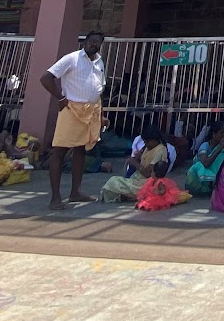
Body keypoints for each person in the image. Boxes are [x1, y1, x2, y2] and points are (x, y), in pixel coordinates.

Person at [40, 31, 107, 210]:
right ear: (85, 42)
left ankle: (75, 192)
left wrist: (101, 115)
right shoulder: (71, 58)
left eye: (97, 42)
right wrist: (60, 98)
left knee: (81, 150)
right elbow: (46, 78)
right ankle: (55, 198)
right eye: (91, 41)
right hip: (71, 109)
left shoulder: (99, 62)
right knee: (59, 152)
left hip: (91, 110)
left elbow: (98, 89)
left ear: (100, 45)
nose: (93, 44)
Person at [101, 128, 168, 202]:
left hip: (146, 183)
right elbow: (137, 158)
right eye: (144, 141)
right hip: (137, 178)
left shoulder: (160, 150)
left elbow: (148, 173)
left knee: (113, 181)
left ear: (154, 140)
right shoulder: (148, 146)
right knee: (116, 182)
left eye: (147, 141)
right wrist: (138, 155)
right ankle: (124, 196)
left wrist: (135, 163)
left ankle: (131, 196)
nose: (145, 143)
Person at [184, 123, 224, 197]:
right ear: (214, 134)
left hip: (210, 179)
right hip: (196, 178)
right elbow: (205, 163)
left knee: (222, 156)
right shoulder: (205, 145)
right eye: (222, 133)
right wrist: (220, 147)